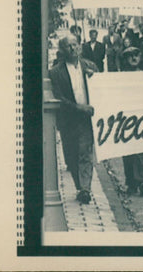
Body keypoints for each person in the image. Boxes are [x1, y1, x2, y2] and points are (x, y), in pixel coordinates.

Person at [50, 35, 97, 204]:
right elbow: (59, 98)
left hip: (87, 118)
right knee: (71, 155)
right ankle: (79, 186)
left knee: (85, 152)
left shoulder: (90, 67)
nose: (73, 48)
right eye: (68, 46)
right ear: (62, 50)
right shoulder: (55, 72)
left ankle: (85, 189)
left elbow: (101, 89)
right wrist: (78, 107)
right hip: (68, 119)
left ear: (80, 46)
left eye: (75, 44)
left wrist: (94, 78)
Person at [119, 46, 143, 196]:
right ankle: (131, 183)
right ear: (126, 59)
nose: (134, 58)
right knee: (128, 152)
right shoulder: (119, 78)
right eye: (130, 56)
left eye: (136, 55)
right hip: (126, 119)